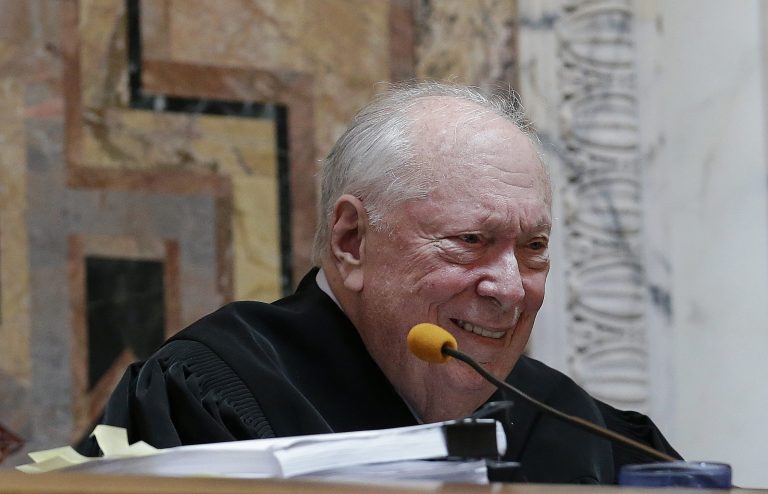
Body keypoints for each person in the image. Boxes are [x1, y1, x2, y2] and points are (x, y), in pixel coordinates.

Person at [77, 82, 680, 483]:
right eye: (470, 240)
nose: (510, 288)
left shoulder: (573, 426)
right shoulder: (213, 394)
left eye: (534, 249)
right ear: (350, 241)